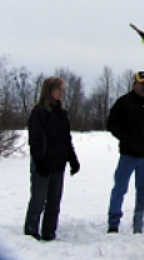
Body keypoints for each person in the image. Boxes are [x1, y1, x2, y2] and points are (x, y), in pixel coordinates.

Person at [106, 71, 144, 234]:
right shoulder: (124, 103)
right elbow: (112, 123)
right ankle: (113, 222)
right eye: (142, 83)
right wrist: (127, 137)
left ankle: (138, 221)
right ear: (134, 84)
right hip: (128, 155)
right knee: (120, 188)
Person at [24, 77, 80, 241]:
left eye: (63, 89)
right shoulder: (39, 112)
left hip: (58, 164)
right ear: (49, 90)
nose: (62, 92)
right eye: (59, 89)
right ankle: (30, 233)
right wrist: (39, 161)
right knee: (38, 201)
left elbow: (66, 139)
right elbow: (35, 139)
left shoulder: (62, 113)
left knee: (54, 203)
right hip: (43, 165)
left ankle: (49, 232)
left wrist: (72, 159)